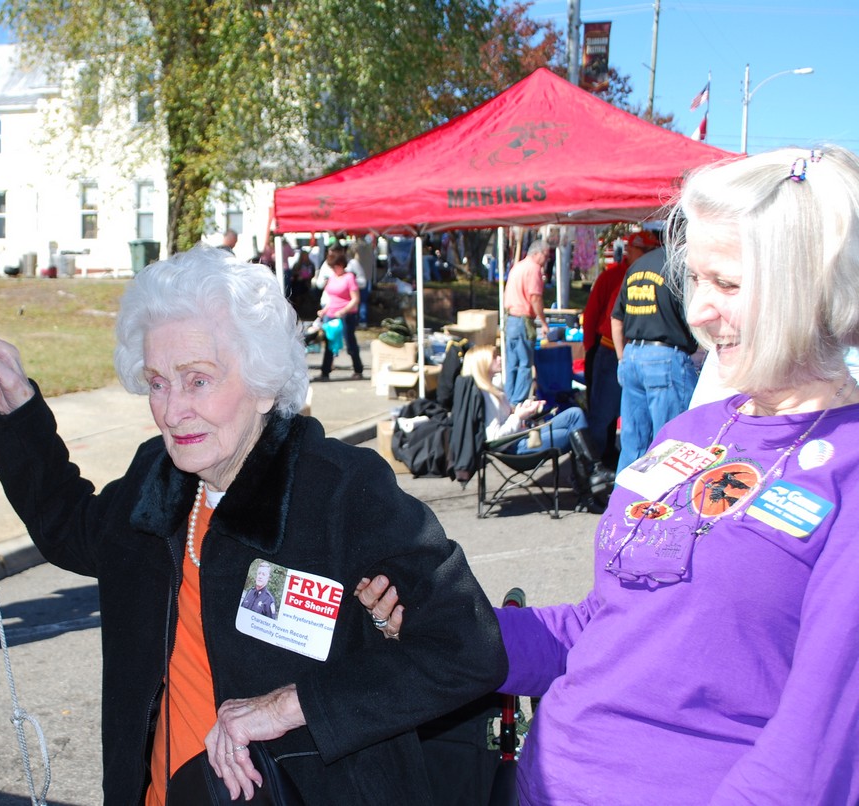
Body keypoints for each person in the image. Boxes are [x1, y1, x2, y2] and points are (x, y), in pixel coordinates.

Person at [364, 146, 859, 803]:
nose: (701, 313)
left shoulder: (847, 472)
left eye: (729, 285)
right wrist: (439, 623)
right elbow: (603, 627)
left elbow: (812, 758)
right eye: (699, 282)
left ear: (806, 286)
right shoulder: (691, 430)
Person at [0, 246, 506, 804]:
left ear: (265, 385)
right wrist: (18, 409)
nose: (172, 410)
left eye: (197, 380)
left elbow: (467, 647)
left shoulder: (341, 491)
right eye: (157, 382)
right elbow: (71, 527)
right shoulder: (158, 481)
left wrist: (285, 707)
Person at [463, 345, 612, 510]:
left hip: (522, 438)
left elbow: (507, 423)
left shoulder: (494, 390)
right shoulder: (487, 395)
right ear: (482, 364)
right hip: (517, 448)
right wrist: (518, 416)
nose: (499, 359)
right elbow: (495, 438)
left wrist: (524, 412)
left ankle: (592, 477)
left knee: (574, 415)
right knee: (573, 425)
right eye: (494, 357)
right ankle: (589, 485)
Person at [610, 233, 699, 472]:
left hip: (632, 356)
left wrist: (622, 358)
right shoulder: (679, 266)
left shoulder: (636, 268)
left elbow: (616, 319)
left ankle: (623, 505)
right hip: (665, 359)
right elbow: (696, 315)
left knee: (633, 445)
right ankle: (666, 505)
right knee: (672, 444)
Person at [581, 231, 659, 467]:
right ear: (632, 251)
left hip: (627, 352)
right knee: (602, 413)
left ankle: (608, 457)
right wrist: (589, 348)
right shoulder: (615, 277)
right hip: (608, 349)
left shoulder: (638, 275)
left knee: (627, 415)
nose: (649, 257)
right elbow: (595, 313)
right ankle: (590, 466)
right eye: (645, 252)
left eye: (651, 252)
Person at [503, 239, 549, 405]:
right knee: (524, 364)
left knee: (512, 364)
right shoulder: (533, 269)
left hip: (511, 319)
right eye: (546, 255)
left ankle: (508, 400)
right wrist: (544, 323)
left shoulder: (518, 266)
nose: (547, 260)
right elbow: (535, 297)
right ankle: (518, 402)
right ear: (537, 254)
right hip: (523, 319)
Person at [315, 244, 363, 381]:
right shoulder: (332, 278)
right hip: (331, 314)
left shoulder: (349, 278)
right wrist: (324, 310)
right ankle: (325, 372)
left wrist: (343, 311)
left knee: (350, 342)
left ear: (341, 264)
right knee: (329, 343)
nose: (334, 270)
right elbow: (332, 298)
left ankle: (358, 369)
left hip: (347, 315)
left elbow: (355, 299)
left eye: (335, 266)